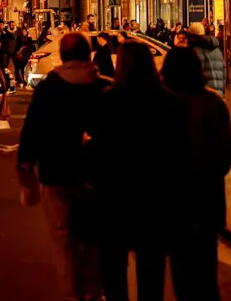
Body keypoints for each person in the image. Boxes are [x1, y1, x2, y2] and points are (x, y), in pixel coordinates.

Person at [92, 41, 189, 301]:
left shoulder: (107, 102)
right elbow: (181, 154)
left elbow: (98, 152)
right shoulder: (172, 104)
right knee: (151, 271)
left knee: (113, 272)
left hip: (116, 197)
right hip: (155, 198)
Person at [18, 33, 109, 301]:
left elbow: (32, 128)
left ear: (63, 56)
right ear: (89, 55)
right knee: (94, 236)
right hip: (95, 174)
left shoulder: (49, 88)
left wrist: (25, 163)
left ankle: (73, 292)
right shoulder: (102, 88)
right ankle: (95, 288)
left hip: (56, 172)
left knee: (63, 238)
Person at [162, 48, 231, 301]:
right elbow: (224, 154)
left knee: (183, 275)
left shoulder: (165, 106)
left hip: (175, 203)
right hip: (207, 199)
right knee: (205, 274)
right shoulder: (212, 104)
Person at [187, 22, 225, 95]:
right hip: (218, 92)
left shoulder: (195, 51)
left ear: (191, 37)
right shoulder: (216, 49)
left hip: (204, 94)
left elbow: (196, 75)